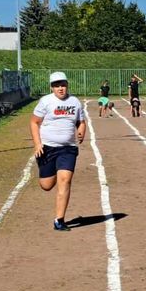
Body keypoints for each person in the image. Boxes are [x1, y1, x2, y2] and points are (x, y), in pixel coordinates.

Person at [30, 71, 86, 232]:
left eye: (62, 85)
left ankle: (59, 220)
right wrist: (37, 144)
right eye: (56, 86)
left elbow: (81, 122)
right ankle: (47, 168)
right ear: (51, 87)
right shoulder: (45, 101)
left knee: (65, 180)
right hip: (47, 148)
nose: (60, 88)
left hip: (68, 149)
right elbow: (34, 122)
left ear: (67, 85)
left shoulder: (75, 102)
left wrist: (82, 131)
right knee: (46, 185)